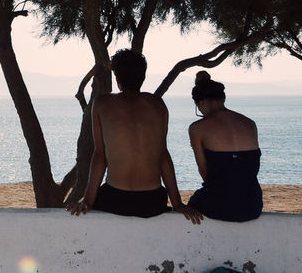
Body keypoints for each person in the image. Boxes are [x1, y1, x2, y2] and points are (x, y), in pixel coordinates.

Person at [67, 49, 202, 223]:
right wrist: (177, 203)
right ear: (143, 77)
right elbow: (163, 155)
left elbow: (100, 156)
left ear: (117, 79)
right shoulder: (157, 105)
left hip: (116, 200)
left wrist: (87, 201)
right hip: (152, 201)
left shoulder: (102, 104)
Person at [186, 70, 262, 222]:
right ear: (223, 98)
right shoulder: (249, 123)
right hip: (252, 205)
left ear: (200, 103)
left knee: (193, 205)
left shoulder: (197, 128)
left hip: (220, 205)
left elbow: (205, 174)